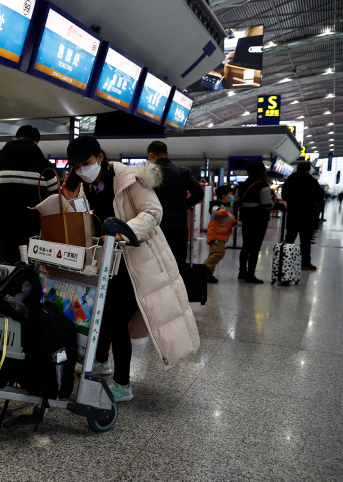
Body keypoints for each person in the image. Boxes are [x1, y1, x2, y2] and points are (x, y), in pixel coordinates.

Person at [62, 136, 199, 401]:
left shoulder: (128, 178)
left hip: (136, 261)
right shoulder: (84, 185)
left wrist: (123, 233)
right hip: (106, 262)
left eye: (86, 163)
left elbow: (152, 211)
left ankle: (123, 384)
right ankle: (101, 361)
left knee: (115, 321)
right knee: (101, 314)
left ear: (100, 157)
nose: (81, 170)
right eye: (76, 166)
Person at [0, 125, 57, 263]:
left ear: (14, 139)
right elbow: (55, 196)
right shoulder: (44, 164)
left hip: (6, 226)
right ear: (36, 143)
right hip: (34, 229)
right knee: (32, 266)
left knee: (12, 263)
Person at [146, 141, 204, 270]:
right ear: (167, 154)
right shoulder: (182, 172)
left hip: (154, 225)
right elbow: (199, 193)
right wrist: (185, 205)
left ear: (150, 155)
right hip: (178, 226)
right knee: (177, 264)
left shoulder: (146, 173)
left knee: (156, 263)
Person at [234, 162, 276, 283]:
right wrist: (279, 206)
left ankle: (242, 272)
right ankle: (250, 275)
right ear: (261, 172)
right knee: (255, 247)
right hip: (260, 219)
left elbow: (236, 202)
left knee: (246, 246)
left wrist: (247, 205)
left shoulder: (241, 186)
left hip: (246, 218)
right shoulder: (263, 185)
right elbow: (267, 204)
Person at [281, 161, 325, 270]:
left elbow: (284, 195)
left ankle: (285, 261)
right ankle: (305, 263)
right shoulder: (311, 181)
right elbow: (320, 197)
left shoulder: (290, 180)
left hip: (293, 213)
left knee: (290, 238)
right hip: (307, 214)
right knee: (305, 240)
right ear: (308, 170)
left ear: (297, 168)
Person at [203, 186, 239, 283]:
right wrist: (227, 213)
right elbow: (216, 212)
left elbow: (228, 220)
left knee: (213, 254)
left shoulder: (229, 206)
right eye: (231, 195)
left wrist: (236, 221)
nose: (232, 197)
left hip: (222, 235)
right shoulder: (215, 204)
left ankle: (208, 274)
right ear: (224, 196)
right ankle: (202, 270)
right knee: (219, 253)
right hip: (215, 234)